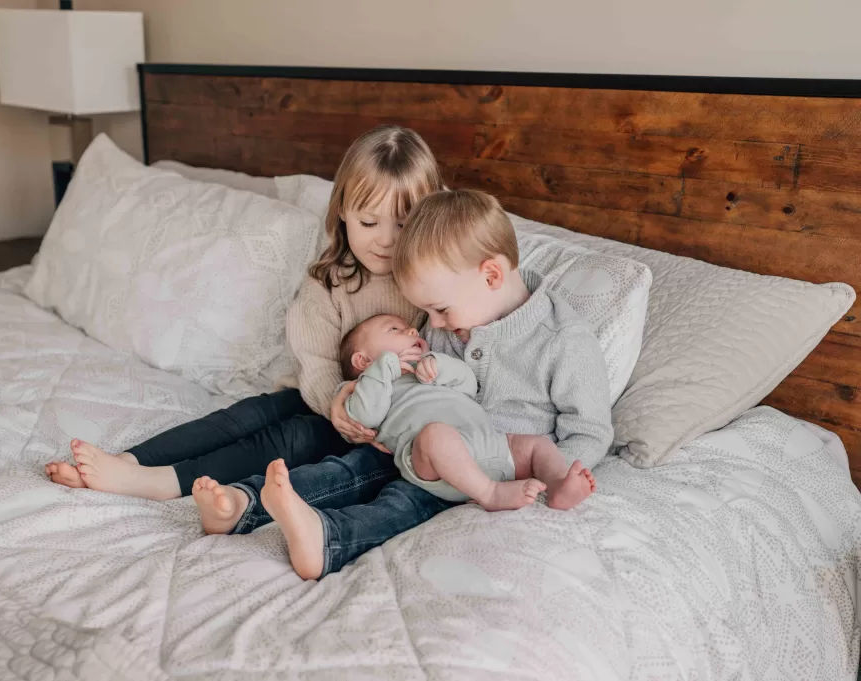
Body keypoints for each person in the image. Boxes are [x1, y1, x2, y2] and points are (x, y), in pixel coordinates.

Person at [190, 188, 614, 580]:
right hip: (417, 446)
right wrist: (360, 401)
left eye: (441, 309)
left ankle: (327, 538)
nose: (436, 324)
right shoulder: (451, 322)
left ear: (490, 276)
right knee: (348, 469)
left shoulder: (564, 341)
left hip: (496, 459)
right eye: (430, 313)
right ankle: (242, 505)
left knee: (401, 504)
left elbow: (590, 430)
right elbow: (411, 382)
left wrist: (559, 472)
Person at [44, 125, 443, 500]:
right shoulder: (329, 282)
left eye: (404, 225)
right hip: (324, 396)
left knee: (290, 439)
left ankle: (162, 482)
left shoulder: (427, 285)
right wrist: (334, 400)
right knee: (245, 415)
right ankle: (128, 460)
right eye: (370, 222)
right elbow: (318, 362)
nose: (386, 240)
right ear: (342, 212)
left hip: (373, 422)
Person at [339, 313, 596, 511]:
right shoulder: (364, 387)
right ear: (363, 361)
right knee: (434, 435)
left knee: (536, 444)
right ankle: (490, 493)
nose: (412, 330)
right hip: (435, 460)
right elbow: (366, 416)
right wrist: (384, 368)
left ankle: (557, 484)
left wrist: (440, 366)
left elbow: (468, 385)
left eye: (410, 327)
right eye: (394, 329)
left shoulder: (427, 365)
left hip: (489, 444)